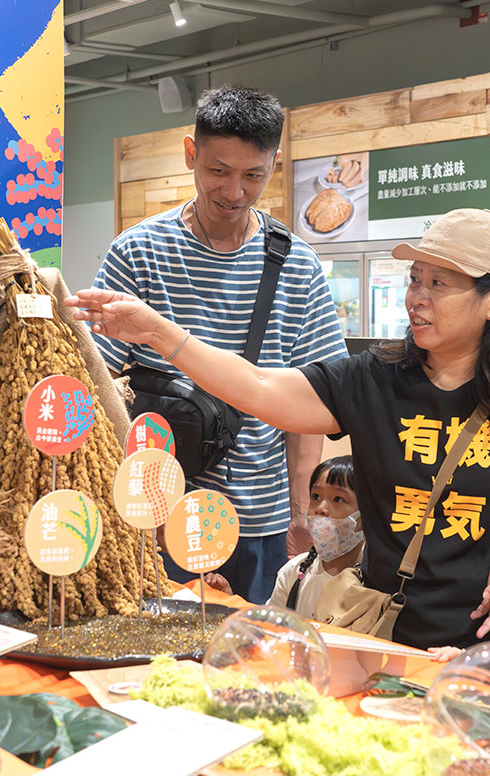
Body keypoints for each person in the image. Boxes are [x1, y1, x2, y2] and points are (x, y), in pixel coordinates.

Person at [66, 208, 490, 649]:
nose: (418, 297)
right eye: (415, 280)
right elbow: (257, 389)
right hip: (383, 633)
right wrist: (159, 332)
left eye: (440, 283)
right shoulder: (375, 378)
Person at [89, 85, 348, 604]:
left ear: (274, 163)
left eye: (253, 175)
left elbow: (313, 405)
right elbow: (99, 387)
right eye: (218, 171)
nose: (234, 191)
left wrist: (302, 514)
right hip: (155, 519)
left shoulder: (296, 265)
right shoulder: (138, 252)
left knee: (254, 659)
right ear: (191, 154)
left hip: (260, 523)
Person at [268, 455, 363, 617]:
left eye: (338, 499)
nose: (320, 508)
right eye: (316, 497)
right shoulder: (294, 571)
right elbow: (270, 627)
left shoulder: (373, 582)